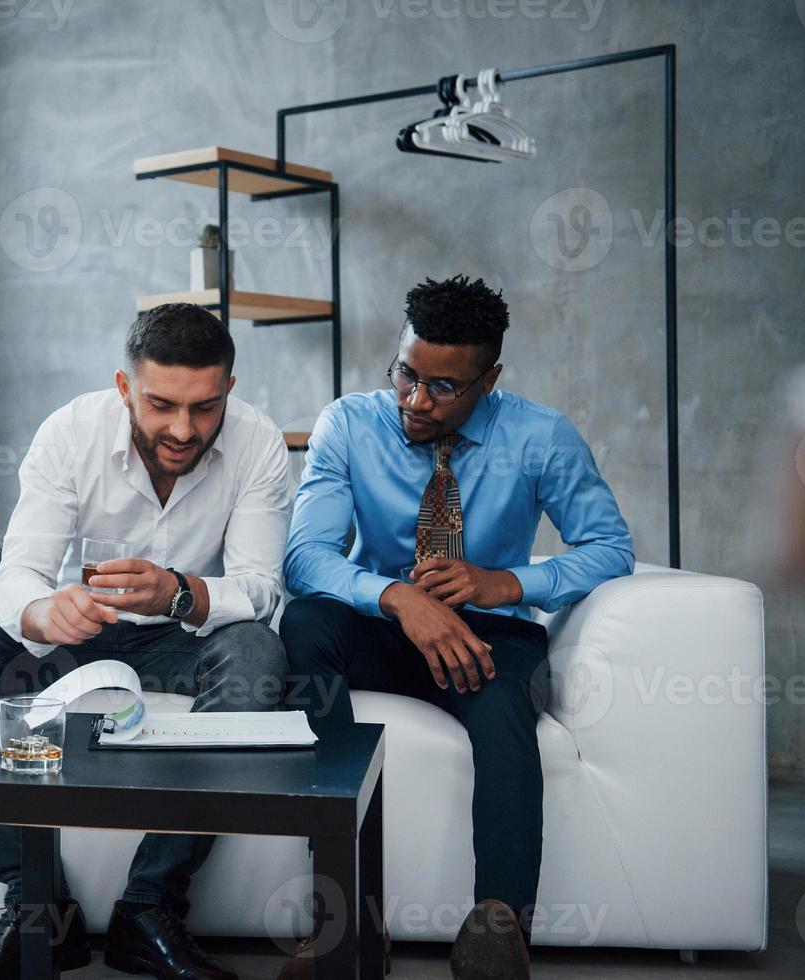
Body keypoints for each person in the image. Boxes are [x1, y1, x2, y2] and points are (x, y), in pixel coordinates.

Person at [0, 303, 292, 980]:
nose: (183, 429)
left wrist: (179, 590)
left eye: (204, 408)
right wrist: (43, 613)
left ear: (228, 390)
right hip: (78, 637)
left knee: (258, 651)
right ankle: (36, 908)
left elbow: (259, 587)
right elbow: (20, 571)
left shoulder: (259, 443)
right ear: (125, 388)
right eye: (161, 405)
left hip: (184, 637)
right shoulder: (71, 432)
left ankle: (149, 909)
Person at [275, 276, 635, 980]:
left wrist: (506, 583)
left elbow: (610, 546)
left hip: (488, 633)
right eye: (407, 373)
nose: (415, 400)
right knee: (308, 622)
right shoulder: (349, 424)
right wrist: (397, 598)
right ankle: (343, 920)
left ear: (489, 379)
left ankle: (497, 929)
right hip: (378, 624)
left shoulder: (541, 436)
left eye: (443, 387)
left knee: (503, 707)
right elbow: (305, 555)